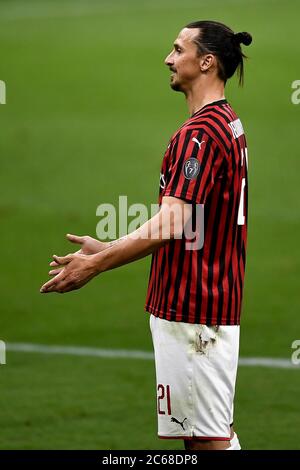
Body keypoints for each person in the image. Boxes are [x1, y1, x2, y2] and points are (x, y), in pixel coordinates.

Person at [41, 20, 252, 451]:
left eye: (178, 50)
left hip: (195, 312)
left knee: (209, 443)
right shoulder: (227, 122)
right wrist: (111, 246)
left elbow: (172, 223)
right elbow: (184, 221)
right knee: (206, 439)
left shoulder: (200, 135)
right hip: (204, 308)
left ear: (206, 61)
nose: (168, 59)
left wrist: (96, 264)